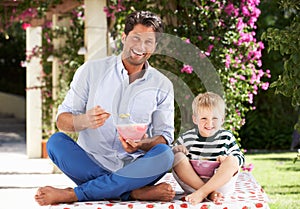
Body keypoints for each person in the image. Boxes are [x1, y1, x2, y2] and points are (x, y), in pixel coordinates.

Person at [35, 10, 175, 206]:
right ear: (124, 38)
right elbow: (61, 121)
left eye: (149, 42)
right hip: (90, 163)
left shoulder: (162, 85)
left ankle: (76, 194)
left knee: (165, 155)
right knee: (55, 143)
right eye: (136, 38)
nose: (141, 47)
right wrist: (82, 120)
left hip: (135, 169)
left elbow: (164, 138)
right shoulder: (91, 71)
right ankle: (131, 192)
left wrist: (143, 143)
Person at [172, 92, 245, 205]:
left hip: (221, 186)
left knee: (232, 160)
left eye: (214, 118)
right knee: (176, 156)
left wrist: (226, 159)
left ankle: (202, 193)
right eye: (204, 118)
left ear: (222, 119)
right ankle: (208, 193)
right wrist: (177, 149)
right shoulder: (187, 137)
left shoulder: (226, 137)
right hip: (193, 186)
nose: (209, 123)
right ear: (195, 119)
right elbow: (170, 154)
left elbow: (240, 158)